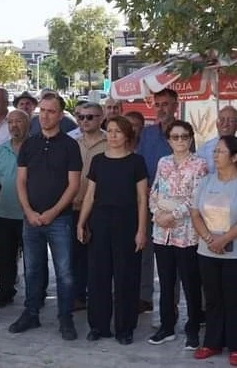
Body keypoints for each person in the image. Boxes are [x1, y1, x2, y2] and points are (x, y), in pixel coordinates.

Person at [8, 93, 82, 340]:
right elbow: (21, 181)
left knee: (64, 272)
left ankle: (65, 318)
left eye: (51, 111)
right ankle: (31, 313)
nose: (46, 115)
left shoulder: (70, 146)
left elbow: (73, 185)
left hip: (59, 219)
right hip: (31, 219)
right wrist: (28, 211)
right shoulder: (29, 144)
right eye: (43, 111)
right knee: (32, 269)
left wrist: (52, 213)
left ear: (61, 115)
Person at [191, 136, 237, 367]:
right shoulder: (206, 181)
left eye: (221, 152)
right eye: (215, 151)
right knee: (212, 299)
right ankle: (212, 342)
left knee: (235, 300)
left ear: (235, 157)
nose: (215, 155)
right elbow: (195, 213)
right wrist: (211, 239)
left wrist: (225, 239)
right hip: (207, 250)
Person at [77, 115, 148, 344]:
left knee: (126, 276)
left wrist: (141, 230)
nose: (113, 135)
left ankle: (124, 328)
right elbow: (90, 194)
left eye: (118, 131)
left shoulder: (137, 162)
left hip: (127, 222)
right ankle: (98, 326)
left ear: (127, 135)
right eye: (110, 131)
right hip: (100, 221)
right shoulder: (98, 160)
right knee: (98, 275)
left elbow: (141, 199)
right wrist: (81, 222)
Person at [147, 120, 207, 349]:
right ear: (169, 140)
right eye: (175, 137)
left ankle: (192, 328)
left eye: (184, 136)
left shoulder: (199, 164)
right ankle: (166, 326)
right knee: (166, 281)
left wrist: (173, 214)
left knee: (190, 283)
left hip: (187, 231)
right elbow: (155, 190)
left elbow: (196, 197)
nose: (180, 141)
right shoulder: (163, 162)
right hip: (162, 231)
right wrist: (157, 212)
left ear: (191, 139)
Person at [137, 88, 186, 314]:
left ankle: (171, 303)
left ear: (176, 106)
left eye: (165, 104)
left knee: (172, 258)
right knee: (144, 249)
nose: (161, 109)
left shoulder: (183, 133)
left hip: (174, 207)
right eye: (157, 104)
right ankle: (144, 297)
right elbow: (140, 163)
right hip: (148, 200)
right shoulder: (147, 134)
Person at [71, 102, 107, 312]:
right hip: (74, 206)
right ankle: (77, 296)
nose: (85, 121)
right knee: (76, 255)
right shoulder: (72, 142)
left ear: (101, 118)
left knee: (97, 256)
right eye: (81, 117)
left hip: (98, 207)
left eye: (90, 117)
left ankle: (97, 297)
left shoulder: (109, 142)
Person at [0, 110, 29, 307]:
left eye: (19, 121)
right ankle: (5, 292)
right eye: (11, 122)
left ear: (28, 123)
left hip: (29, 214)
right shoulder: (0, 150)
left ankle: (35, 294)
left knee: (32, 259)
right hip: (3, 212)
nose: (14, 125)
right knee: (4, 257)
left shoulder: (35, 148)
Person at [197, 106, 237, 173]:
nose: (225, 124)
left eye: (231, 120)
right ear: (216, 124)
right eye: (221, 120)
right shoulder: (204, 149)